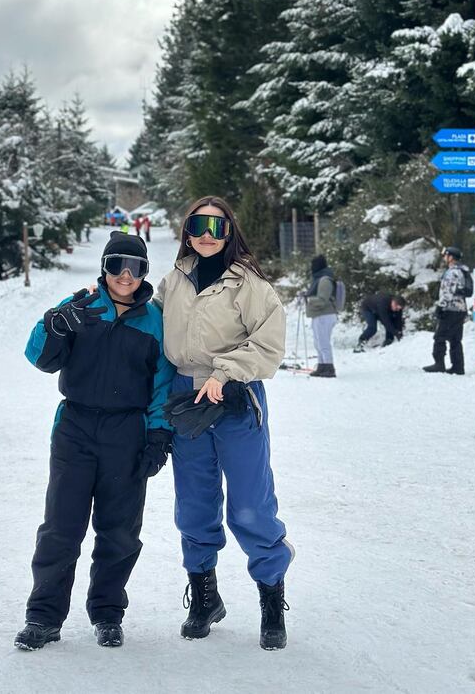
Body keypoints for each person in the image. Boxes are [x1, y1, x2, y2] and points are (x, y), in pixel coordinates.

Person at [15, 231, 175, 652]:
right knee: (61, 527)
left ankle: (107, 613)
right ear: (103, 268)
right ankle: (43, 617)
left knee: (119, 531)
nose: (125, 275)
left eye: (135, 267)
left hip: (127, 433)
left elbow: (163, 383)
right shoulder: (79, 307)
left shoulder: (155, 321)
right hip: (76, 428)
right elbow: (39, 358)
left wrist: (159, 435)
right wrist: (53, 326)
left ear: (144, 272)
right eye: (116, 265)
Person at [156, 197, 293, 651]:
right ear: (187, 230)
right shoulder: (174, 281)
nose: (208, 233)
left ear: (230, 229)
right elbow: (145, 325)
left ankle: (271, 597)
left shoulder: (248, 283)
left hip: (235, 399)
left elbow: (270, 342)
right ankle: (204, 597)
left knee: (251, 504)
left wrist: (225, 372)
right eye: (199, 224)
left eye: (218, 224)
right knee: (194, 502)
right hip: (187, 400)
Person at [423, 246, 471, 375]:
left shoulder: (452, 273)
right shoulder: (462, 271)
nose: (444, 258)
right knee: (455, 339)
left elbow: (447, 292)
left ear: (451, 257)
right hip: (460, 309)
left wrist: (440, 306)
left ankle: (439, 364)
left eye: (445, 255)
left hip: (450, 309)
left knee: (440, 337)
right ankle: (458, 366)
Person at [305, 254, 338, 377]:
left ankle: (329, 368)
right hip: (319, 315)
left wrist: (309, 299)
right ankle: (322, 366)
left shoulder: (325, 280)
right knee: (318, 342)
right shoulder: (319, 279)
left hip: (325, 315)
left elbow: (322, 300)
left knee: (323, 342)